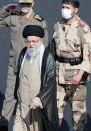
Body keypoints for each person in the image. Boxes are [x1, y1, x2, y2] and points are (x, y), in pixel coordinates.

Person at [0, 0, 48, 130]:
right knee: (10, 94)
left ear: (33, 3)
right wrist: (6, 9)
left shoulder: (39, 21)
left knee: (31, 94)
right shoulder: (14, 17)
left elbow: (45, 45)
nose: (25, 7)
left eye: (27, 4)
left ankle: (34, 124)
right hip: (15, 64)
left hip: (31, 66)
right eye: (22, 4)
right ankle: (3, 123)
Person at [50, 0, 91, 130]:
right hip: (58, 77)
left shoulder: (83, 28)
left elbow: (89, 56)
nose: (64, 9)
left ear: (75, 10)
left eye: (67, 7)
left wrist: (79, 75)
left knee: (78, 116)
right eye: (63, 7)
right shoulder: (57, 26)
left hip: (76, 79)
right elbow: (52, 50)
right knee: (54, 114)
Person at [13, 25, 59, 131]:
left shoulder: (47, 57)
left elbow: (50, 82)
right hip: (22, 104)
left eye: (34, 41)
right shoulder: (23, 53)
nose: (31, 45)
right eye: (28, 41)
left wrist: (39, 99)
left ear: (40, 40)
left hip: (37, 107)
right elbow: (19, 77)